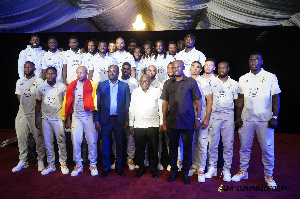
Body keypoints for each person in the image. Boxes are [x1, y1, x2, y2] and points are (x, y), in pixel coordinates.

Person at [232, 52, 281, 189]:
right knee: (244, 148)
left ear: (261, 62)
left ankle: (268, 175)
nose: (254, 62)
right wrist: (238, 116)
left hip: (265, 119)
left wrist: (275, 116)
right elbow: (240, 99)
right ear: (248, 62)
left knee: (267, 148)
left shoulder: (270, 77)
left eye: (256, 60)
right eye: (251, 60)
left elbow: (276, 97)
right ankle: (243, 171)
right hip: (247, 119)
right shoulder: (243, 78)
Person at [161, 60, 202, 184]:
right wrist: (163, 120)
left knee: (187, 148)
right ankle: (173, 171)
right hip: (172, 121)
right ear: (171, 69)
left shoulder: (191, 82)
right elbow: (165, 102)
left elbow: (198, 101)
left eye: (179, 67)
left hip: (187, 120)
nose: (176, 69)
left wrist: (198, 118)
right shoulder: (168, 83)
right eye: (174, 67)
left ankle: (185, 172)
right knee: (173, 148)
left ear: (184, 68)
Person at [61, 66, 98, 176]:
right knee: (76, 141)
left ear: (86, 73)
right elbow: (68, 103)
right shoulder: (72, 85)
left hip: (89, 116)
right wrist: (68, 119)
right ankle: (78, 164)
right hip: (76, 117)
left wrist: (96, 120)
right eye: (78, 72)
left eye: (82, 72)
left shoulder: (93, 85)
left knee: (92, 141)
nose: (79, 74)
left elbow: (96, 103)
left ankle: (93, 164)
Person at [94, 65, 130, 178]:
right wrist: (96, 120)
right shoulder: (102, 85)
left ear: (118, 73)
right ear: (107, 73)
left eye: (114, 71)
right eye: (110, 71)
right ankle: (106, 166)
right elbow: (97, 104)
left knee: (119, 144)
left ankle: (119, 166)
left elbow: (128, 105)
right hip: (106, 120)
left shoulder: (124, 86)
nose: (112, 73)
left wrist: (127, 120)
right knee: (105, 144)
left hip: (119, 119)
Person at [205, 61, 238, 182]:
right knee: (213, 143)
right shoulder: (212, 82)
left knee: (228, 145)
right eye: (219, 68)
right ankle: (212, 168)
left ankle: (227, 170)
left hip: (228, 116)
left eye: (223, 67)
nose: (221, 69)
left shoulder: (234, 83)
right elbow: (209, 100)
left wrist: (237, 117)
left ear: (228, 69)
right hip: (215, 116)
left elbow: (236, 102)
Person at [13, 61, 45, 172]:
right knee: (21, 137)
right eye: (25, 67)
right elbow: (18, 95)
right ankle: (23, 160)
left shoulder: (39, 81)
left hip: (34, 113)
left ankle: (40, 160)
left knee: (38, 138)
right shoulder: (20, 81)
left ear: (34, 68)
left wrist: (36, 112)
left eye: (29, 67)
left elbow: (40, 98)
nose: (26, 69)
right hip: (22, 112)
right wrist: (24, 106)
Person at [35, 67, 69, 175]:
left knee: (61, 141)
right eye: (48, 74)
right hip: (45, 119)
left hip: (58, 119)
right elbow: (38, 104)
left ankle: (63, 163)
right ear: (46, 74)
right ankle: (51, 164)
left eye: (53, 74)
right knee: (48, 143)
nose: (50, 76)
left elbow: (66, 104)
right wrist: (37, 118)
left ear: (56, 74)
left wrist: (67, 118)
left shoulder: (62, 87)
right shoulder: (40, 87)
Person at [129, 74, 163, 178]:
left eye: (147, 81)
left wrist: (161, 122)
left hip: (153, 124)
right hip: (139, 125)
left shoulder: (156, 91)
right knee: (139, 149)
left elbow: (161, 108)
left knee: (153, 148)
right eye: (143, 81)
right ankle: (141, 168)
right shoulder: (135, 92)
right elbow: (132, 108)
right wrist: (131, 123)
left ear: (150, 81)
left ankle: (153, 169)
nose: (145, 83)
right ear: (140, 82)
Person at [188, 61, 212, 183]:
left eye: (198, 67)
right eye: (193, 66)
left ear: (201, 69)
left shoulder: (204, 82)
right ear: (190, 68)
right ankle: (194, 165)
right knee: (192, 143)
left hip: (201, 115)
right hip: (188, 116)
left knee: (202, 143)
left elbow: (209, 101)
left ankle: (202, 167)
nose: (195, 69)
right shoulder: (186, 80)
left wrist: (206, 117)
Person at [119, 62, 139, 170]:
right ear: (121, 70)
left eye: (128, 69)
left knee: (130, 138)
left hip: (131, 112)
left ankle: (130, 159)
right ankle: (118, 159)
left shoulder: (134, 82)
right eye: (124, 69)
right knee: (118, 138)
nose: (126, 71)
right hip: (119, 113)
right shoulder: (118, 80)